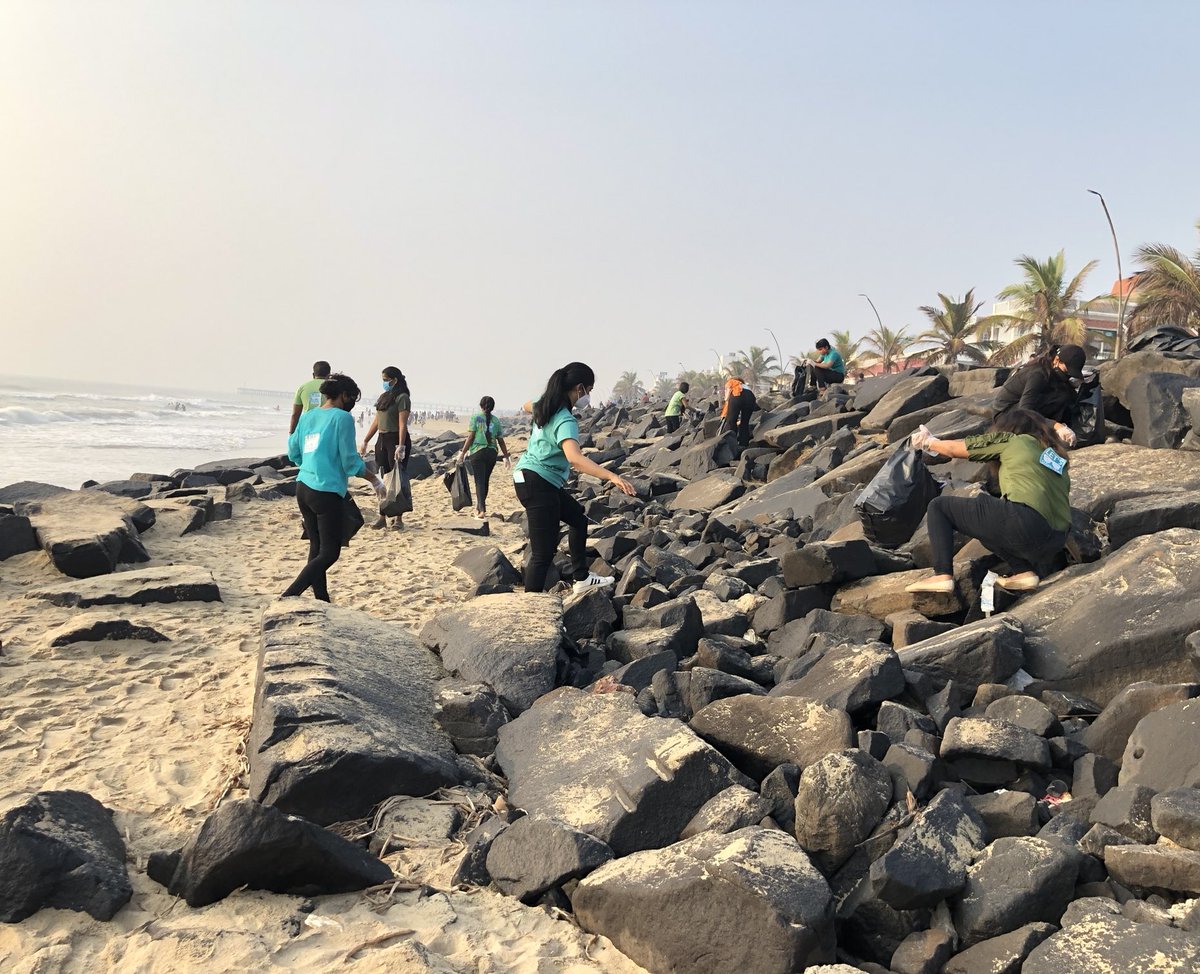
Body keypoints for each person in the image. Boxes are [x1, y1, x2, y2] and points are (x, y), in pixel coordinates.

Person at [905, 408, 1072, 595]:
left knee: (939, 507)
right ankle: (1023, 572)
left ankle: (942, 575)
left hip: (1027, 524)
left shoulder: (1012, 440)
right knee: (985, 523)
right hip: (1057, 539)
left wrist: (928, 442)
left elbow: (955, 449)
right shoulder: (1056, 457)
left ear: (1008, 428)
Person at [515, 362, 636, 594]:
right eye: (588, 391)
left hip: (532, 479)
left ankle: (581, 577)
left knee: (578, 519)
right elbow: (575, 459)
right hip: (538, 484)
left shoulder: (545, 405)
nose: (588, 396)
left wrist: (539, 408)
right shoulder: (565, 420)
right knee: (542, 554)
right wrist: (612, 476)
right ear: (579, 388)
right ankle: (528, 608)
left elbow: (525, 405)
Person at [282, 373, 385, 602]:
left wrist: (311, 464)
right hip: (326, 492)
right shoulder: (342, 419)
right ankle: (289, 594)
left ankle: (322, 599)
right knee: (330, 552)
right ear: (343, 395)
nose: (351, 404)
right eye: (351, 398)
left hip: (303, 487)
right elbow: (350, 461)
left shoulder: (309, 416)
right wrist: (374, 480)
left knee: (316, 547)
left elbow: (293, 451)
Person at [992, 344, 1087, 446]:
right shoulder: (1038, 374)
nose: (1068, 374)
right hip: (1006, 416)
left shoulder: (1051, 371)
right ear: (1056, 360)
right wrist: (1055, 425)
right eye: (1067, 370)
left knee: (1066, 394)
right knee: (1060, 396)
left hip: (1022, 410)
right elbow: (1025, 410)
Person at [360, 367, 412, 529]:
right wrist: (366, 440)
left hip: (396, 439)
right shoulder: (384, 397)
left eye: (386, 379)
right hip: (381, 440)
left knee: (397, 480)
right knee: (382, 480)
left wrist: (401, 445)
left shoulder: (403, 398)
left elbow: (402, 423)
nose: (384, 383)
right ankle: (382, 516)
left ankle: (398, 519)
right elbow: (376, 421)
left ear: (394, 380)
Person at [457, 396, 511, 518]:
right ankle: (479, 507)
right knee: (485, 480)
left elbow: (470, 437)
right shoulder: (496, 421)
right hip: (492, 453)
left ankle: (481, 510)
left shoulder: (475, 418)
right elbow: (501, 440)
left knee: (479, 481)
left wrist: (463, 453)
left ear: (481, 405)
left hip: (478, 452)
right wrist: (506, 456)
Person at [290, 361, 331, 434]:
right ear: (329, 375)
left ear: (313, 374)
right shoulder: (334, 388)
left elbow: (295, 414)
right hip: (327, 427)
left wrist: (292, 433)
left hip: (307, 427)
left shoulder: (303, 388)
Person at [720, 373, 757, 447]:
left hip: (737, 396)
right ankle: (744, 444)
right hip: (750, 397)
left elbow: (728, 392)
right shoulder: (745, 386)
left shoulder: (732, 381)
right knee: (744, 423)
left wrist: (726, 400)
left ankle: (732, 444)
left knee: (731, 421)